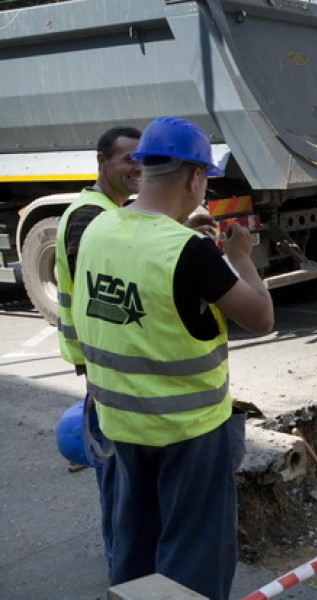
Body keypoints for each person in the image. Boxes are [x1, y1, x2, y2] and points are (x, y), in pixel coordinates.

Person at [71, 116, 274, 599]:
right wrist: (242, 256)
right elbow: (261, 318)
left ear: (143, 169)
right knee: (193, 560)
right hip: (188, 433)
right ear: (195, 177)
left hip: (120, 424)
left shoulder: (98, 229)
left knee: (135, 551)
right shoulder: (191, 252)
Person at [55, 125, 143, 574]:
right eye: (128, 158)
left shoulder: (113, 212)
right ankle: (120, 566)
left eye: (142, 157)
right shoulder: (91, 216)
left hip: (109, 363)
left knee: (121, 470)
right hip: (103, 364)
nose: (137, 166)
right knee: (116, 472)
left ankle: (124, 560)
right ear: (102, 162)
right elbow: (101, 295)